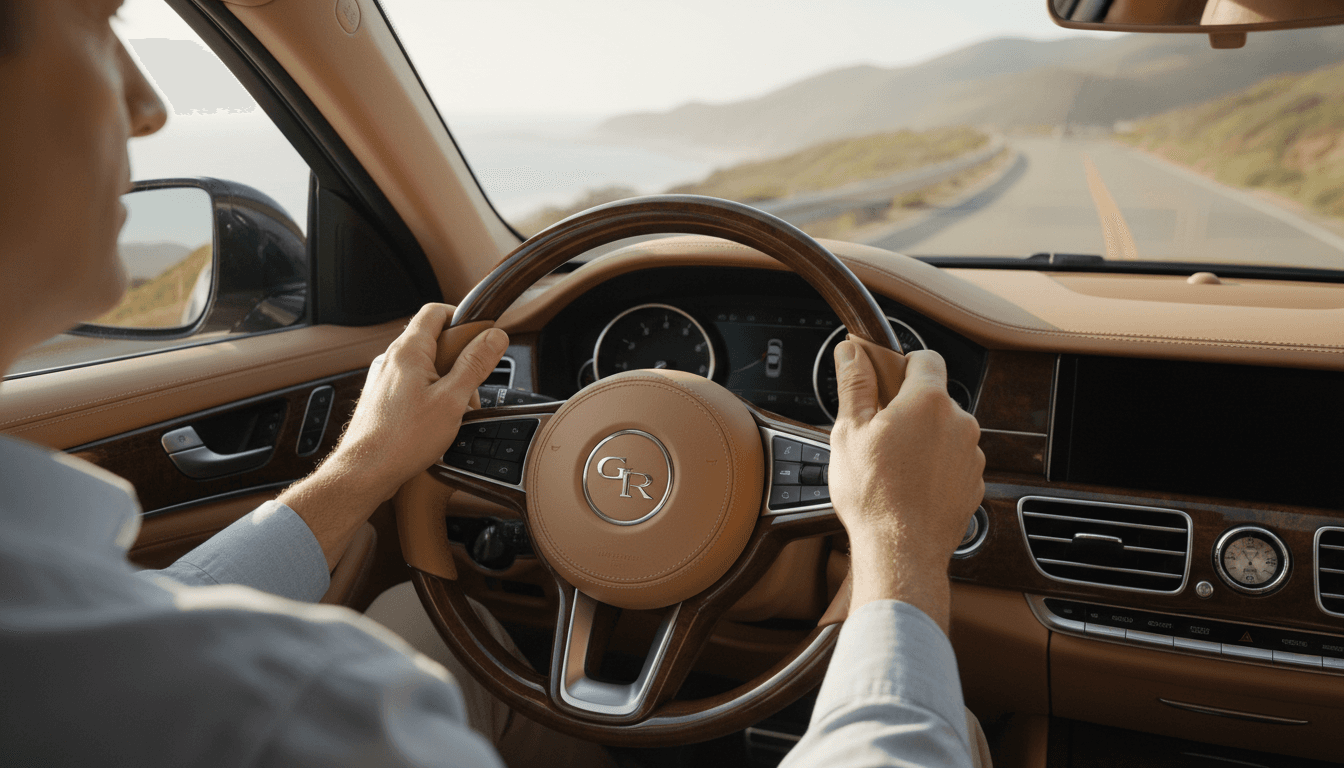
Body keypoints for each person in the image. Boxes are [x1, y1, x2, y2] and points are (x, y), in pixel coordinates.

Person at [0, 1, 988, 766]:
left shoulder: (81, 659)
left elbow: (164, 618)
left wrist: (372, 463)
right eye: (102, 23)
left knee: (409, 617)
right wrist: (899, 552)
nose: (147, 103)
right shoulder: (298, 710)